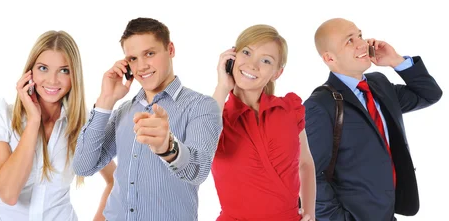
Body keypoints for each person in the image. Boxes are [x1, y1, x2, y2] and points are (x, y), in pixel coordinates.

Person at [72, 17, 223, 221]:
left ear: (170, 50)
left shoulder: (201, 106)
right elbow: (84, 166)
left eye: (149, 54)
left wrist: (168, 147)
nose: (141, 66)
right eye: (133, 59)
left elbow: (198, 170)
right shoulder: (124, 111)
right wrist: (105, 100)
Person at [305, 18, 443, 221]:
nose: (362, 43)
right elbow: (311, 176)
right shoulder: (320, 104)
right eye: (349, 41)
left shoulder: (380, 85)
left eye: (360, 35)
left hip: (387, 213)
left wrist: (396, 61)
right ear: (330, 58)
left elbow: (429, 94)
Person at [0, 31, 115, 221]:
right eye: (43, 68)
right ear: (30, 71)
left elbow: (116, 181)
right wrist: (33, 121)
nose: (52, 80)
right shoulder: (0, 117)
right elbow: (8, 194)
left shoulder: (81, 127)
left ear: (74, 76)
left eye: (64, 70)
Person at [211, 24, 316, 221]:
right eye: (246, 52)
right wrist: (222, 86)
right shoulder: (217, 115)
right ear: (232, 57)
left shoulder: (289, 109)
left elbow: (305, 163)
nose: (252, 65)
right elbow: (202, 145)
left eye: (266, 60)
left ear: (277, 73)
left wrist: (310, 214)